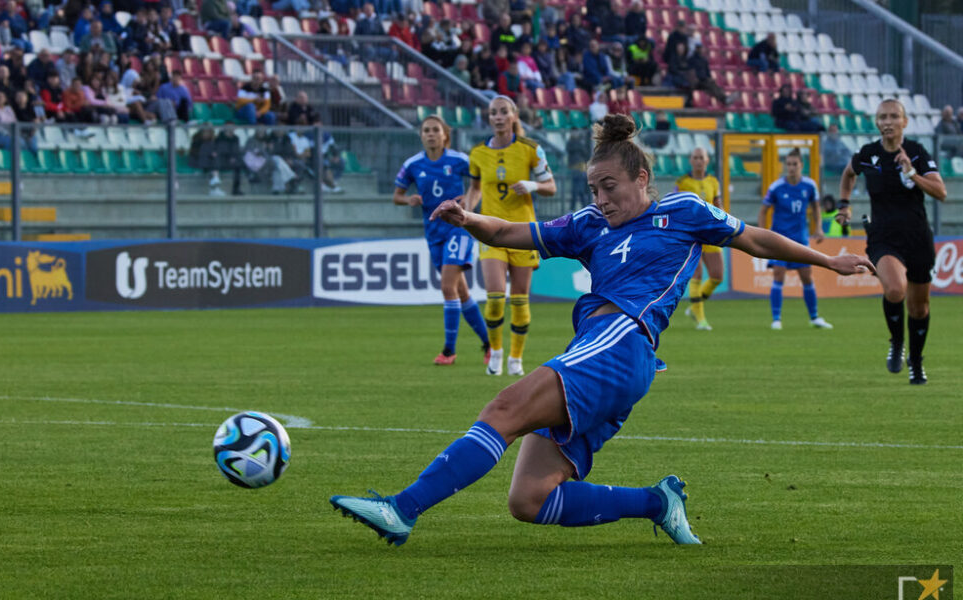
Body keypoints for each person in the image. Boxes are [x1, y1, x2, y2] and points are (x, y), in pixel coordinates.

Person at [329, 114, 874, 548]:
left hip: (622, 339)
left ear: (641, 178)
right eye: (593, 188)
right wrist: (469, 220)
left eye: (609, 186)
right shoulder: (590, 225)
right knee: (530, 499)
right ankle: (657, 502)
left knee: (502, 411)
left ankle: (401, 509)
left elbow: (755, 239)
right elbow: (512, 230)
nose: (601, 198)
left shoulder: (683, 210)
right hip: (604, 354)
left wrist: (829, 262)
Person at [837, 99, 947, 384]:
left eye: (893, 116)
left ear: (904, 122)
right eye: (882, 117)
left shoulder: (917, 153)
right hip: (883, 237)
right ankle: (897, 342)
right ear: (876, 122)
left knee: (919, 308)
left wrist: (912, 173)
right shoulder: (867, 154)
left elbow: (940, 192)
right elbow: (848, 174)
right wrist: (844, 205)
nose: (887, 121)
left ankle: (916, 362)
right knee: (896, 289)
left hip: (917, 237)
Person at [460, 95, 557, 376]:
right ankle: (496, 353)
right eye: (493, 113)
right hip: (491, 231)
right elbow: (476, 188)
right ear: (489, 118)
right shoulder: (478, 153)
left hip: (523, 232)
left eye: (503, 112)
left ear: (513, 116)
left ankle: (516, 358)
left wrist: (532, 185)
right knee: (493, 296)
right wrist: (466, 210)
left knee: (520, 299)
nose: (498, 117)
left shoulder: (530, 149)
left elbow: (551, 186)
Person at [393, 116, 491, 365]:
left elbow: (479, 182)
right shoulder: (413, 164)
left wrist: (469, 202)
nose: (430, 134)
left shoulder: (458, 160)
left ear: (444, 135)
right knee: (461, 291)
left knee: (447, 287)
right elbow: (397, 196)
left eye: (435, 130)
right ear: (421, 135)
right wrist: (408, 200)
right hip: (433, 233)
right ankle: (490, 345)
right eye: (426, 130)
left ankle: (449, 351)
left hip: (458, 229)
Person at [758, 149, 832, 330]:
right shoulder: (776, 187)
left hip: (800, 238)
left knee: (806, 277)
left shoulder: (809, 185)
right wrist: (761, 232)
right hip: (779, 238)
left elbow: (816, 208)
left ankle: (814, 317)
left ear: (801, 165)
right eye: (788, 164)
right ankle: (776, 319)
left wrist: (819, 228)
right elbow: (763, 210)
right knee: (778, 275)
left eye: (794, 164)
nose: (791, 167)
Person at [674, 147, 723, 331]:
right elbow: (675, 205)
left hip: (710, 232)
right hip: (691, 234)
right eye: (695, 158)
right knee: (697, 274)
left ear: (707, 161)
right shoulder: (683, 182)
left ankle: (695, 306)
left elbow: (718, 205)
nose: (698, 161)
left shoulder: (713, 182)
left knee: (717, 276)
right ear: (690, 160)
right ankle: (701, 320)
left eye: (701, 158)